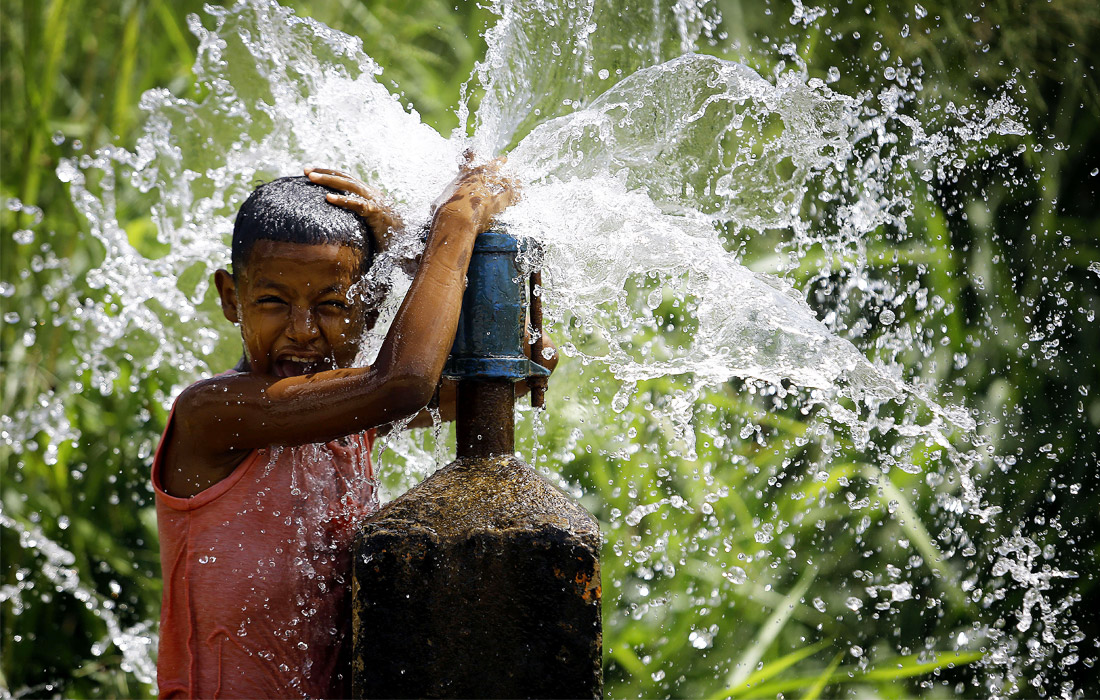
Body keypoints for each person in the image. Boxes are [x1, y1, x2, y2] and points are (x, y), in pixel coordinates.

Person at [151, 155, 554, 698]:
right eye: (272, 301)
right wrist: (458, 220)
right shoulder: (213, 414)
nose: (303, 330)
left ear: (369, 307)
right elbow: (403, 381)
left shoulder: (344, 418)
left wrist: (414, 258)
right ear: (230, 298)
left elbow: (497, 385)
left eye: (334, 304)